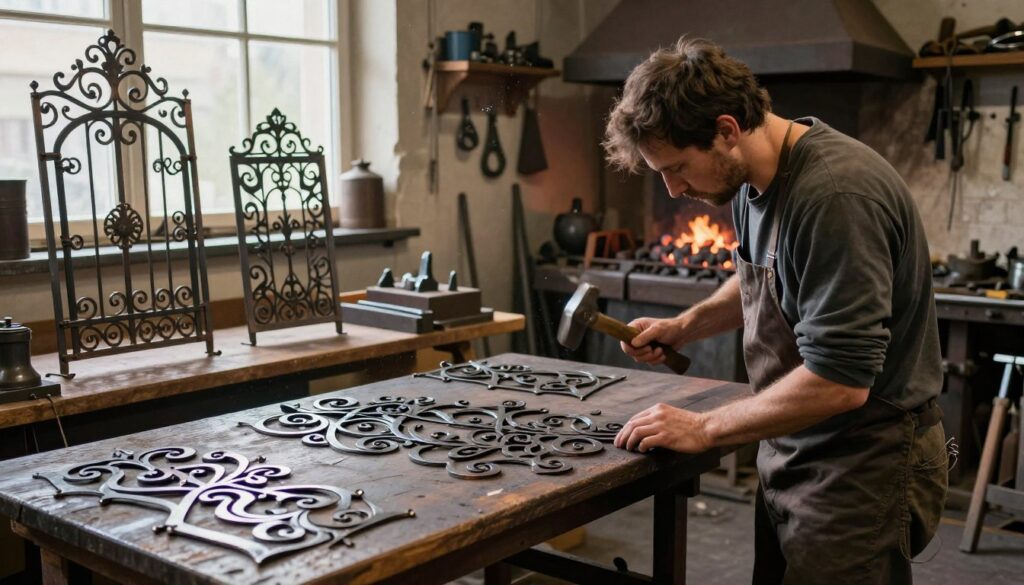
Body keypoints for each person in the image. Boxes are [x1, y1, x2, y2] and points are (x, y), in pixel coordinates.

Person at [604, 37, 948, 584]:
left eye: (677, 167)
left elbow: (841, 381)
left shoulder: (836, 196)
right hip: (794, 445)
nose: (672, 190)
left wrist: (707, 427)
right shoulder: (747, 181)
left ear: (726, 130)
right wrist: (683, 326)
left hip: (862, 462)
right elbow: (760, 282)